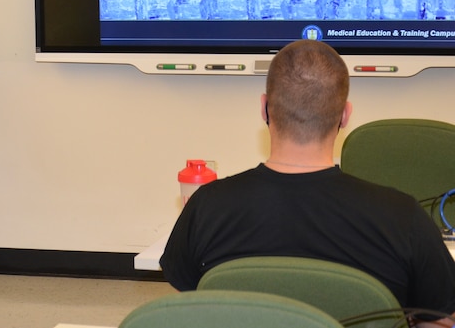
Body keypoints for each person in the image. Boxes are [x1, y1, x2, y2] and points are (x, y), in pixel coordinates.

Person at [160, 39, 455, 325]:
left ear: (264, 109)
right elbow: (441, 320)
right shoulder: (403, 217)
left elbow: (183, 314)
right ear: (345, 115)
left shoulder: (207, 206)